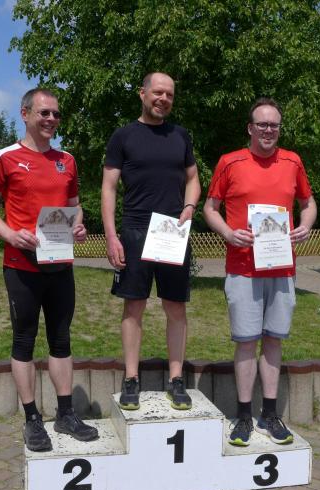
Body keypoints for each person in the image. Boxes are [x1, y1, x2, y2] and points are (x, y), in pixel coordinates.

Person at [0, 88, 98, 451]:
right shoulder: (5, 158)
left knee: (61, 339)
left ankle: (65, 414)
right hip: (22, 266)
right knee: (24, 341)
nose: (51, 120)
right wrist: (11, 235)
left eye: (56, 114)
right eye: (44, 113)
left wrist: (78, 226)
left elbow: (74, 206)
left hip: (60, 264)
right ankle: (32, 419)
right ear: (25, 114)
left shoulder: (67, 160)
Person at [203, 97, 317, 446]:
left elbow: (308, 203)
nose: (269, 130)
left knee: (273, 339)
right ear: (250, 128)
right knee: (246, 341)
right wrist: (227, 233)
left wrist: (306, 225)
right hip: (243, 269)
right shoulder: (230, 162)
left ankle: (269, 414)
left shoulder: (293, 161)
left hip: (281, 268)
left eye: (274, 125)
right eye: (262, 124)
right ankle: (243, 416)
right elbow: (210, 208)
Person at [101, 72, 201, 411]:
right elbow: (109, 188)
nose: (164, 99)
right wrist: (111, 235)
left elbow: (193, 179)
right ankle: (131, 378)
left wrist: (189, 206)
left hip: (173, 232)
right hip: (135, 231)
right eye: (158, 92)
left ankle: (176, 379)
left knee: (176, 307)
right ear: (142, 94)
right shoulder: (123, 136)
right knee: (134, 306)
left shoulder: (181, 136)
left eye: (170, 94)